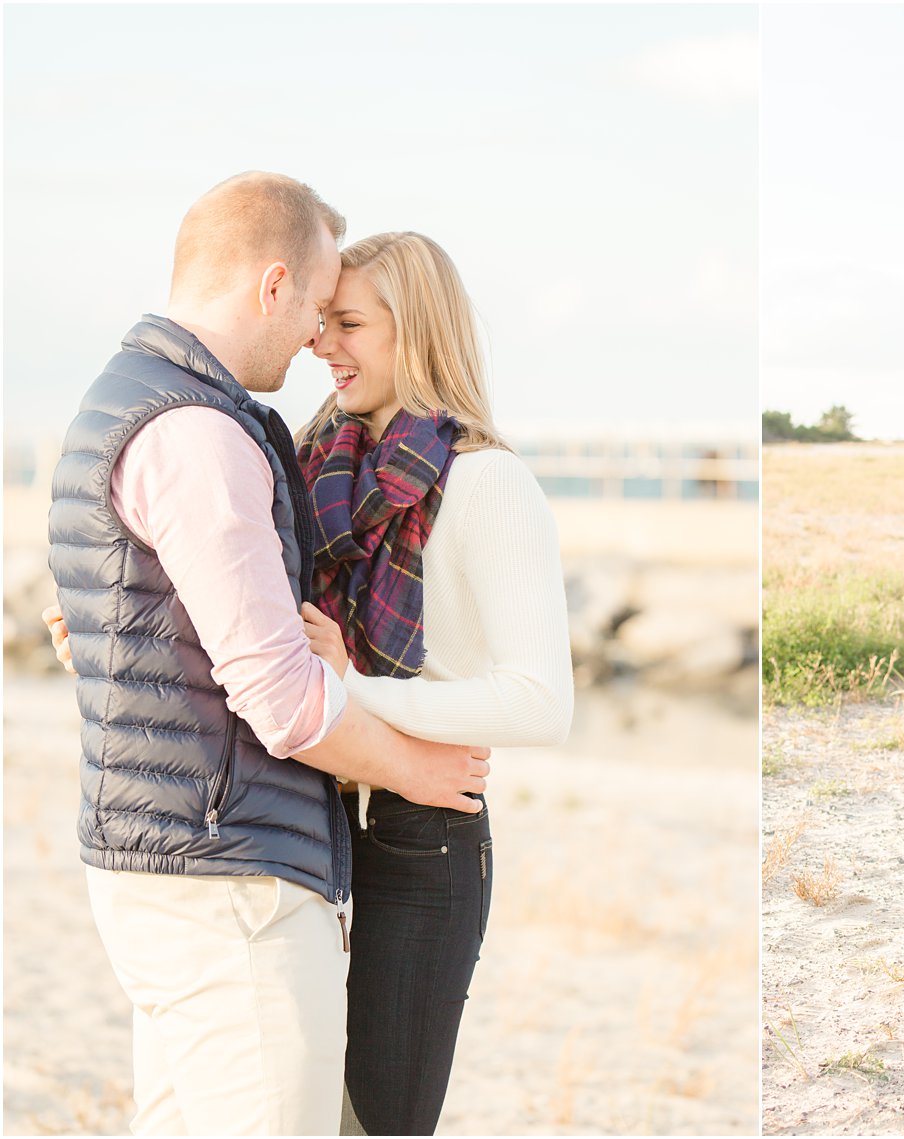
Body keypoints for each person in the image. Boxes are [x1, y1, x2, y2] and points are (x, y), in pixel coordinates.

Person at [44, 172, 491, 1135]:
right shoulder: (200, 432)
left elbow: (133, 611)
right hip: (227, 876)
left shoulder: (121, 400)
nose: (316, 339)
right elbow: (281, 696)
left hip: (160, 857)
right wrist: (414, 765)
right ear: (272, 285)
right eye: (318, 309)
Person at [296, 231, 574, 1134]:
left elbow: (539, 700)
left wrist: (353, 688)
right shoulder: (306, 466)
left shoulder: (488, 482)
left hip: (421, 841)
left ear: (413, 331)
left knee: (378, 1122)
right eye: (319, 320)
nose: (322, 343)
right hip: (300, 818)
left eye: (348, 322)